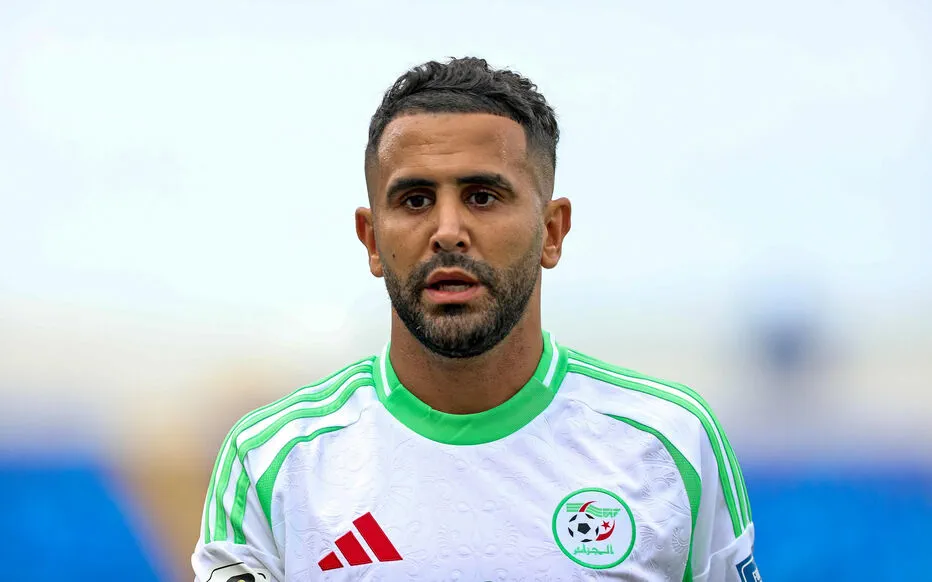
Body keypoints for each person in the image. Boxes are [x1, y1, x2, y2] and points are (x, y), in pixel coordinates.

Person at [192, 57, 760, 582]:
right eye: (415, 200)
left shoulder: (669, 442)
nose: (447, 231)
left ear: (551, 231)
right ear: (372, 240)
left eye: (483, 196)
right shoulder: (275, 461)